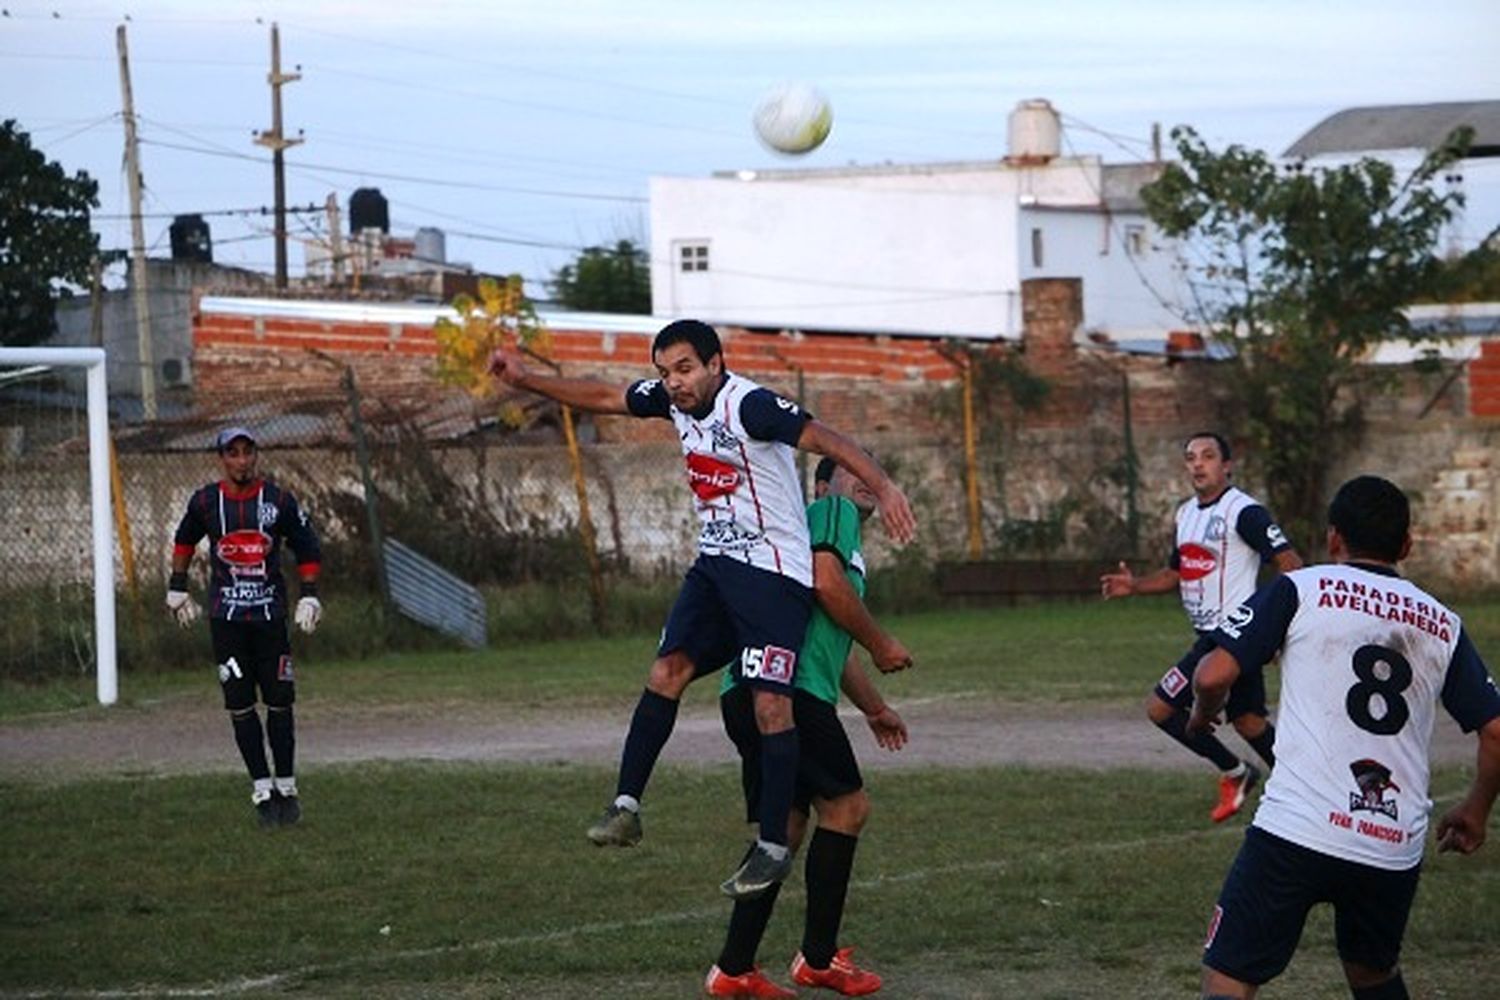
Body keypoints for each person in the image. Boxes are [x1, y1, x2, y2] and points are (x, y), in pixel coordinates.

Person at [488, 319, 915, 899]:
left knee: (770, 704)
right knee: (666, 673)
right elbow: (601, 395)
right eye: (665, 373)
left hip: (773, 573)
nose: (674, 384)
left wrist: (886, 488)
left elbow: (831, 440)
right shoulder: (675, 404)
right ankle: (625, 806)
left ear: (716, 363)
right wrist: (527, 379)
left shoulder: (752, 407)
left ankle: (771, 846)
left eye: (685, 369)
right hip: (716, 569)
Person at [1186, 475, 1500, 1000]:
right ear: (1406, 546)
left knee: (1229, 976)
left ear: (1334, 539)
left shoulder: (1301, 588)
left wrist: (1201, 717)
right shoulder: (1443, 623)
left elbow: (1213, 675)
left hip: (1297, 829)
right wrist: (1475, 809)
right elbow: (1495, 731)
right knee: (1372, 973)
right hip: (1389, 841)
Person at [706, 457, 911, 999]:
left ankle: (734, 969)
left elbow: (831, 644)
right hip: (785, 691)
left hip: (751, 689)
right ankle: (818, 959)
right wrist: (882, 641)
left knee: (787, 827)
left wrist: (874, 708)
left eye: (874, 470)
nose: (867, 477)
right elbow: (826, 582)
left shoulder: (820, 533)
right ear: (823, 485)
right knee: (847, 806)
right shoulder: (830, 512)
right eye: (850, 469)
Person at [1101, 431, 1302, 822]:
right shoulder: (1186, 514)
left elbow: (1291, 564)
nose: (1197, 464)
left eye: (1207, 456)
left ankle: (1240, 773)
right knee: (1248, 721)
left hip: (1231, 636)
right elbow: (1177, 572)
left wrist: (1277, 627)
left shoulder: (1245, 512)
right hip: (1212, 636)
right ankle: (1299, 787)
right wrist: (1136, 585)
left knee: (1161, 708)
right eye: (1191, 457)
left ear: (1226, 465)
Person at [166, 426, 324, 828]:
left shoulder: (278, 501)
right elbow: (184, 540)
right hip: (227, 620)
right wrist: (177, 588)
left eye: (246, 452)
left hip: (270, 617)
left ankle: (286, 787)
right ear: (221, 457)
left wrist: (309, 594)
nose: (240, 460)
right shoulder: (205, 501)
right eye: (232, 453)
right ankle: (261, 789)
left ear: (255, 456)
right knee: (239, 703)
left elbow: (307, 546)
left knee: (279, 700)